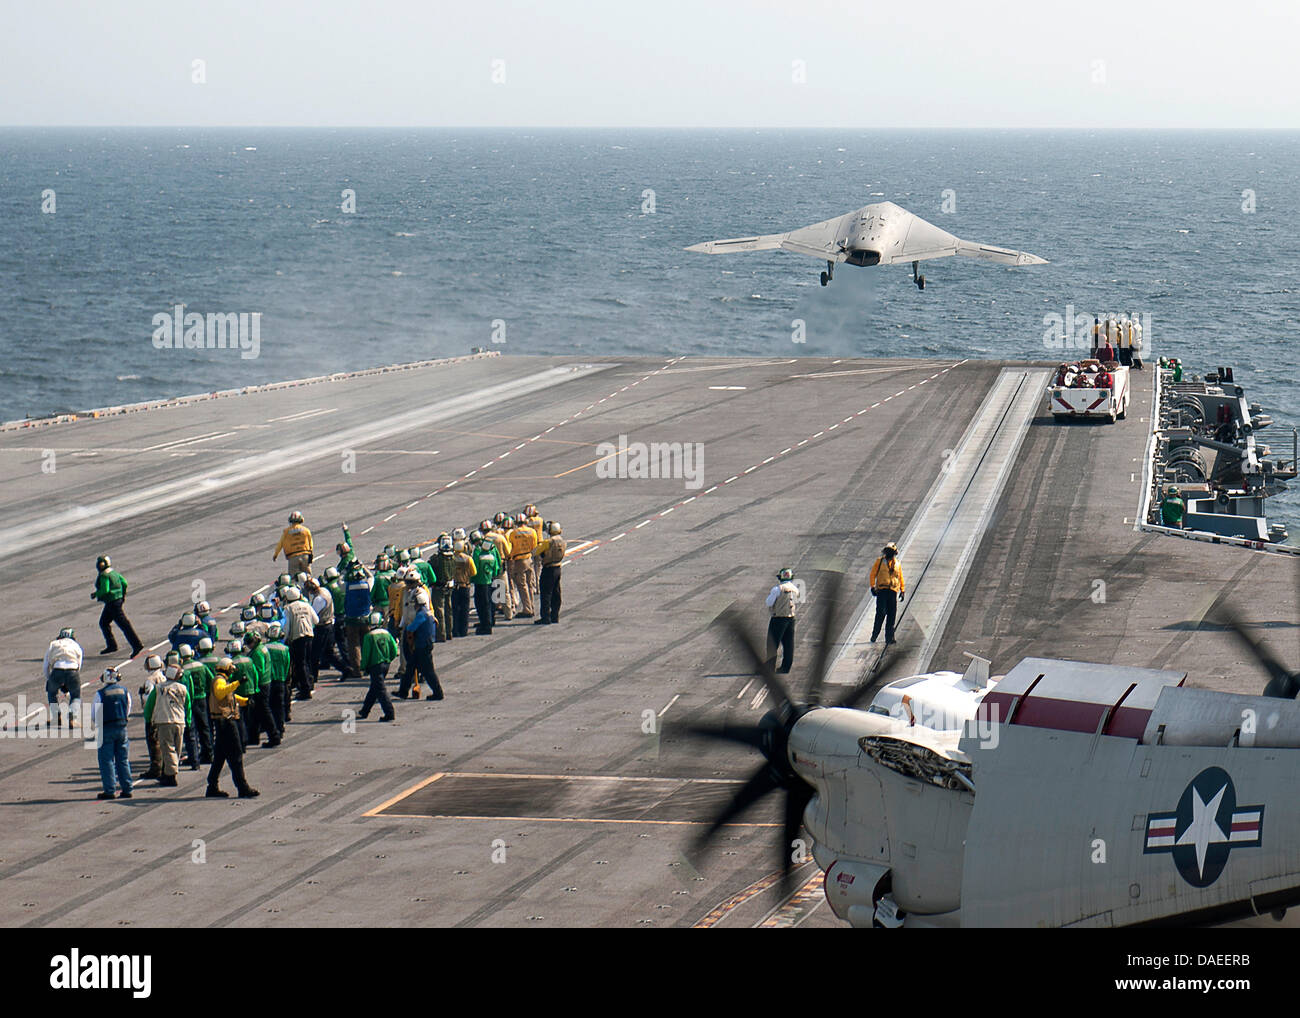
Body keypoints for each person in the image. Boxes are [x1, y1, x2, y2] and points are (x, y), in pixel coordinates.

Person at [206, 658, 258, 799]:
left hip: (223, 721)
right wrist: (238, 683)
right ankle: (243, 788)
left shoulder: (223, 681)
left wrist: (244, 701)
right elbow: (220, 693)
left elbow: (230, 696)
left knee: (219, 757)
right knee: (236, 755)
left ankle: (212, 786)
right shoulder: (219, 681)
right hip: (226, 722)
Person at [145, 664, 190, 787]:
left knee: (168, 749)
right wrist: (189, 720)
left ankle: (171, 776)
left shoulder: (159, 688)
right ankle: (168, 773)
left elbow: (150, 705)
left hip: (164, 721)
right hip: (180, 721)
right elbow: (188, 705)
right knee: (177, 749)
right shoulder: (183, 688)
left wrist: (149, 720)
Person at [91, 555, 143, 657]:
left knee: (124, 625)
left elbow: (105, 590)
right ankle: (112, 645)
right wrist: (122, 595)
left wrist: (95, 594)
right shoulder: (114, 573)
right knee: (104, 622)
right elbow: (124, 583)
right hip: (117, 600)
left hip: (112, 602)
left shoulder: (104, 576)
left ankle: (136, 644)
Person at [92, 667, 133, 800]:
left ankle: (109, 790)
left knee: (107, 760)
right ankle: (127, 788)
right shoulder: (125, 691)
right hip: (122, 727)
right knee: (123, 759)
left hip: (106, 728)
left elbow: (94, 714)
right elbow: (128, 708)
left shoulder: (100, 694)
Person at [403, 592, 445, 701]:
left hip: (422, 645)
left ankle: (438, 693)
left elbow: (411, 628)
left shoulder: (421, 614)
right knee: (410, 668)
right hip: (425, 643)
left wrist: (406, 630)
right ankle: (402, 691)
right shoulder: (429, 612)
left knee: (428, 671)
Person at [358, 612, 398, 722]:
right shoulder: (387, 633)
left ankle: (389, 713)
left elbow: (366, 654)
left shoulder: (369, 636)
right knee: (374, 688)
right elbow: (394, 650)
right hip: (386, 664)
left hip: (375, 666)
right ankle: (365, 710)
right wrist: (388, 659)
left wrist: (363, 666)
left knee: (380, 690)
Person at [281, 586, 318, 700]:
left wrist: (285, 639)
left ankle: (305, 690)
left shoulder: (288, 608)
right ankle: (310, 683)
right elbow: (316, 620)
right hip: (309, 635)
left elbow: (287, 626)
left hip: (297, 637)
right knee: (307, 661)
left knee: (300, 664)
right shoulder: (306, 605)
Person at [179, 643, 213, 766]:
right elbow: (211, 680)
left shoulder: (182, 669)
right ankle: (209, 753)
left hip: (189, 701)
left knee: (190, 730)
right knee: (205, 726)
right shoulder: (201, 665)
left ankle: (193, 755)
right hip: (202, 698)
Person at [44, 627, 83, 730]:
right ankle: (72, 719)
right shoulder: (76, 646)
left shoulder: (54, 644)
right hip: (73, 671)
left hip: (57, 670)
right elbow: (79, 664)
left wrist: (49, 679)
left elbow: (46, 665)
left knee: (52, 693)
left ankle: (56, 718)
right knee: (75, 695)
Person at [869, 543, 905, 645]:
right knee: (881, 613)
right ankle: (874, 634)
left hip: (893, 591)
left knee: (891, 615)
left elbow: (900, 577)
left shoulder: (897, 564)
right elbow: (872, 574)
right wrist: (872, 587)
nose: (890, 553)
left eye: (892, 552)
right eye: (888, 551)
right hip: (882, 591)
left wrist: (902, 590)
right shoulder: (879, 562)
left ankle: (889, 638)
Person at [764, 568, 799, 674]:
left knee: (772, 644)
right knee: (788, 643)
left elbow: (769, 603)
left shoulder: (777, 589)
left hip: (778, 618)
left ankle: (770, 667)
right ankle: (786, 667)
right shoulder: (794, 589)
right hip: (791, 618)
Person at [138, 655, 165, 780]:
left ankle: (156, 768)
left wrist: (142, 694)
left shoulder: (150, 680)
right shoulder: (164, 676)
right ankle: (164, 766)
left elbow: (148, 698)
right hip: (164, 711)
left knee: (153, 742)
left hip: (153, 714)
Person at [506, 516, 538, 618]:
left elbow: (510, 549)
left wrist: (510, 559)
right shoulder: (532, 532)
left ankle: (527, 609)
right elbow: (534, 546)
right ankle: (531, 607)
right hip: (529, 558)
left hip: (519, 560)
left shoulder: (513, 533)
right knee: (530, 585)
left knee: (522, 585)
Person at [264, 621, 292, 731]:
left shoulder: (265, 648)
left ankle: (272, 728)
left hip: (269, 681)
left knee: (269, 706)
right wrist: (286, 678)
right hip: (281, 679)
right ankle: (280, 727)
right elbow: (287, 664)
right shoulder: (285, 649)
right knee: (280, 705)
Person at [536, 522, 566, 625]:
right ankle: (555, 616)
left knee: (546, 593)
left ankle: (545, 617)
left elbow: (536, 551)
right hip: (558, 567)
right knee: (556, 593)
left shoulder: (548, 542)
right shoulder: (562, 541)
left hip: (548, 568)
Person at [428, 535, 457, 640]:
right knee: (449, 610)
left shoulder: (436, 558)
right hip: (450, 586)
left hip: (438, 587)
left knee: (439, 611)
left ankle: (441, 634)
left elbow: (431, 572)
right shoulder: (454, 557)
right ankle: (449, 632)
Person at [471, 532, 499, 634]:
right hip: (490, 578)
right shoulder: (492, 547)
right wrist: (494, 574)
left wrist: (472, 579)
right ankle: (490, 620)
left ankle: (486, 625)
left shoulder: (478, 551)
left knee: (482, 604)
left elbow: (475, 568)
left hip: (480, 581)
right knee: (491, 601)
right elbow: (497, 563)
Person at [272, 510, 314, 575]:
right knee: (308, 575)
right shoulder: (306, 530)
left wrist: (275, 555)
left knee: (293, 577)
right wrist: (311, 553)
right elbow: (310, 543)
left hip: (292, 557)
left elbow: (280, 544)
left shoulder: (286, 532)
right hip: (305, 555)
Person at [450, 538, 477, 637]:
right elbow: (474, 572)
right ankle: (464, 630)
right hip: (465, 585)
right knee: (465, 609)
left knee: (455, 609)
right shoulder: (468, 559)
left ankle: (455, 630)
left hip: (454, 586)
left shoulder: (451, 558)